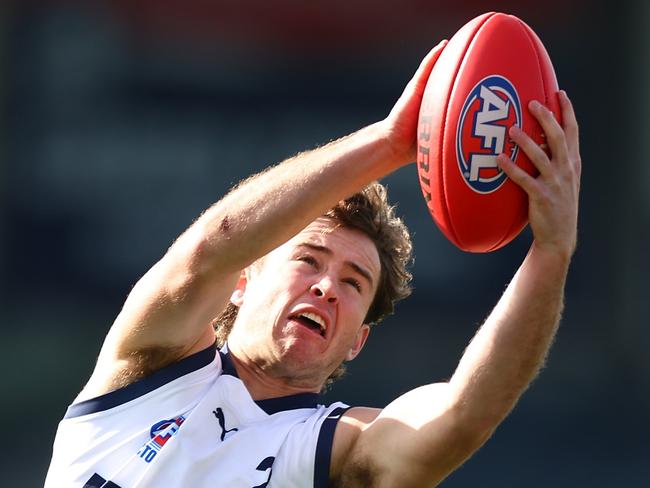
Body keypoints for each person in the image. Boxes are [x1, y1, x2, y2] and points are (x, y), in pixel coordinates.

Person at [45, 39, 581, 487]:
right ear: (243, 281)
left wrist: (551, 253)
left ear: (356, 342)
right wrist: (390, 142)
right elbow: (210, 249)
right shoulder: (148, 368)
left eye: (354, 282)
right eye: (309, 259)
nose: (327, 287)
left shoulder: (336, 452)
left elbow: (463, 415)